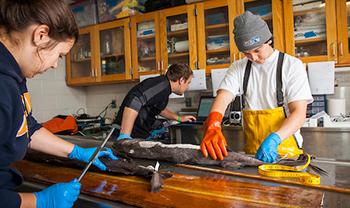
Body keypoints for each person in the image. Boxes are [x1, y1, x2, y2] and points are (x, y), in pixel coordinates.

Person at [0, 1, 118, 208]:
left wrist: (77, 152)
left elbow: (28, 127)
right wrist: (39, 201)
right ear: (41, 35)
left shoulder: (14, 75)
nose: (55, 64)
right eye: (60, 55)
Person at [200, 11, 313, 163]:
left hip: (286, 154)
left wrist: (274, 139)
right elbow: (224, 96)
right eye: (246, 53)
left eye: (257, 50)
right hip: (252, 155)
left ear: (269, 40)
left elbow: (299, 113)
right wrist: (213, 122)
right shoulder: (238, 67)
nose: (253, 57)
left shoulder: (291, 65)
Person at [115, 63, 196, 140]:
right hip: (129, 135)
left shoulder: (165, 88)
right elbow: (135, 100)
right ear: (181, 80)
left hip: (139, 135)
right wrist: (124, 135)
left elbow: (159, 109)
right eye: (188, 83)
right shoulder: (161, 85)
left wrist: (179, 118)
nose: (187, 87)